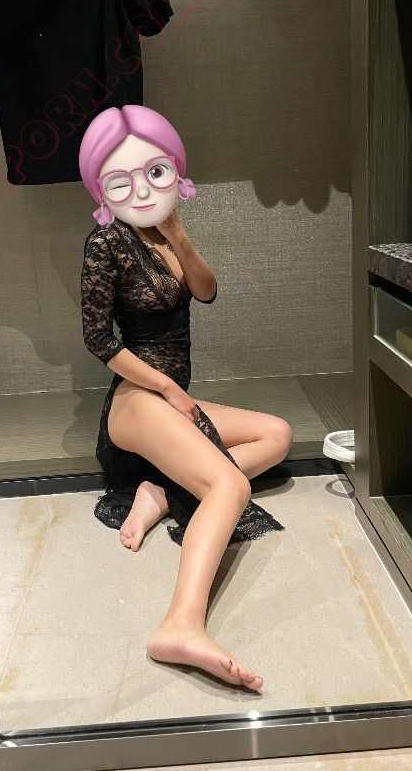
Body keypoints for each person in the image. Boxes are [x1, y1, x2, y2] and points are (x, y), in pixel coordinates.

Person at [79, 105, 293, 690]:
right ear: (102, 187)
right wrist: (170, 389)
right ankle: (180, 625)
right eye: (122, 180)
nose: (142, 189)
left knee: (277, 434)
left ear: (174, 168)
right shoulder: (106, 241)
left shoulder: (163, 230)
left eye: (155, 172)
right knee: (229, 486)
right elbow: (98, 338)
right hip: (136, 402)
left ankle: (162, 493)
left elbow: (206, 290)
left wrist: (179, 234)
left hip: (170, 402)